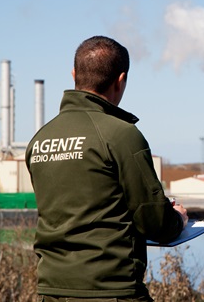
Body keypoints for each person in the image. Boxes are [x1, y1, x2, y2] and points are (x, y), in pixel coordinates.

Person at [26, 35, 188, 301]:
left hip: (51, 291)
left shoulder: (41, 139)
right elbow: (155, 222)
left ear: (74, 74)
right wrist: (178, 219)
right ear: (121, 80)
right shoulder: (122, 135)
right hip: (112, 291)